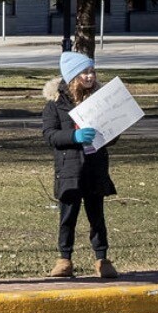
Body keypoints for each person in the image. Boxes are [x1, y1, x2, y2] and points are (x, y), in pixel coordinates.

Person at [41, 51, 119, 279]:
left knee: (97, 216)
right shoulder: (55, 104)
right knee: (68, 216)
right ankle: (64, 259)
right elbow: (49, 135)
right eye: (85, 72)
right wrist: (74, 137)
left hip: (95, 167)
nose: (90, 76)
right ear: (72, 76)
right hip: (69, 169)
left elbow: (112, 135)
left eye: (92, 71)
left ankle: (102, 259)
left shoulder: (100, 101)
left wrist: (112, 132)